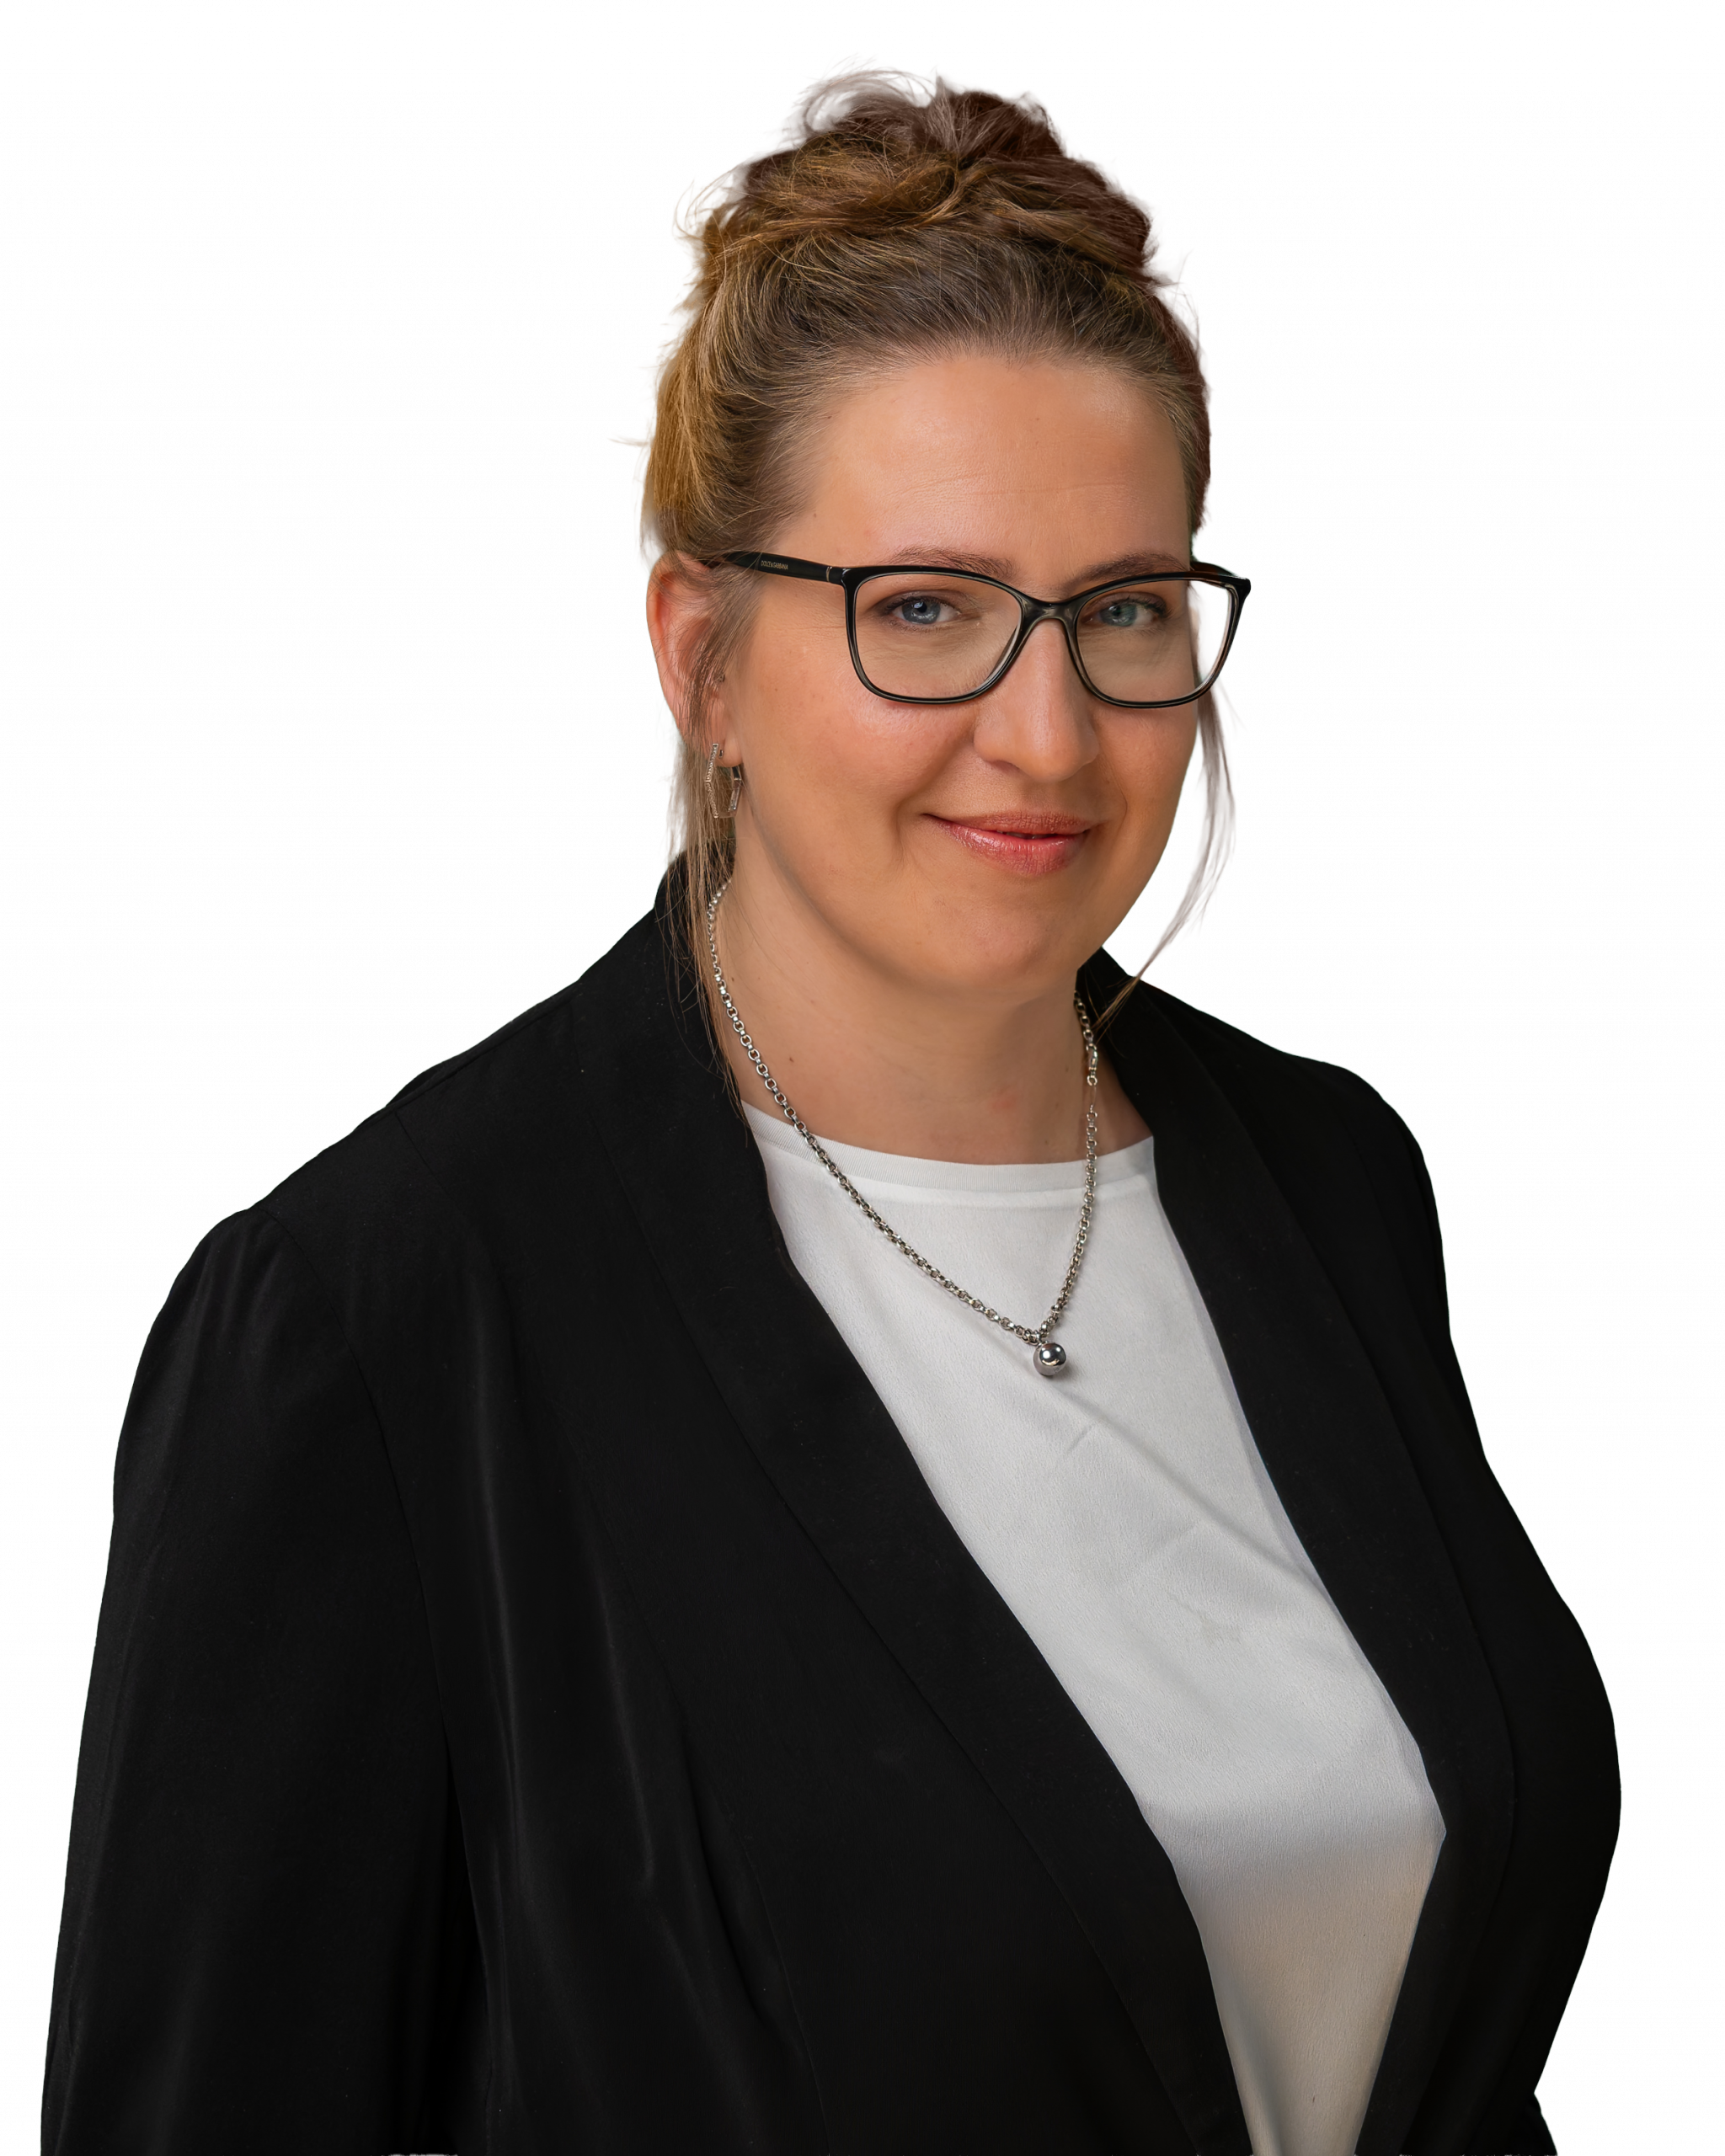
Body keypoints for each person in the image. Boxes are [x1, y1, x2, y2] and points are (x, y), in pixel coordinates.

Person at [44, 54, 1619, 2156]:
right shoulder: (378, 1323)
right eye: (927, 610)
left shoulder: (1329, 1179)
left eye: (1124, 610)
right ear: (699, 653)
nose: (1046, 730)